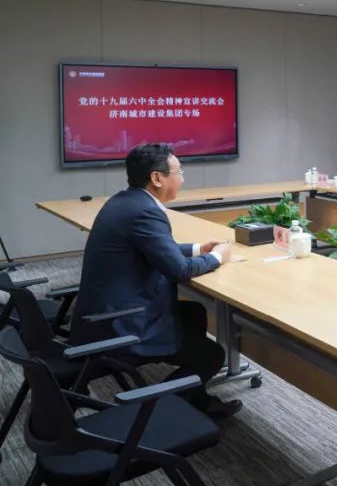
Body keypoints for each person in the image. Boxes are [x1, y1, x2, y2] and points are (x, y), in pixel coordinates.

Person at [70, 144, 241, 420]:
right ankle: (152, 413)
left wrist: (198, 248)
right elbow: (179, 271)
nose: (182, 178)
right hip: (121, 325)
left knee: (194, 313)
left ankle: (195, 400)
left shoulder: (126, 201)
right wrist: (217, 257)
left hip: (102, 313)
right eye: (179, 172)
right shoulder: (146, 212)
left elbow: (153, 248)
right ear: (157, 178)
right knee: (212, 355)